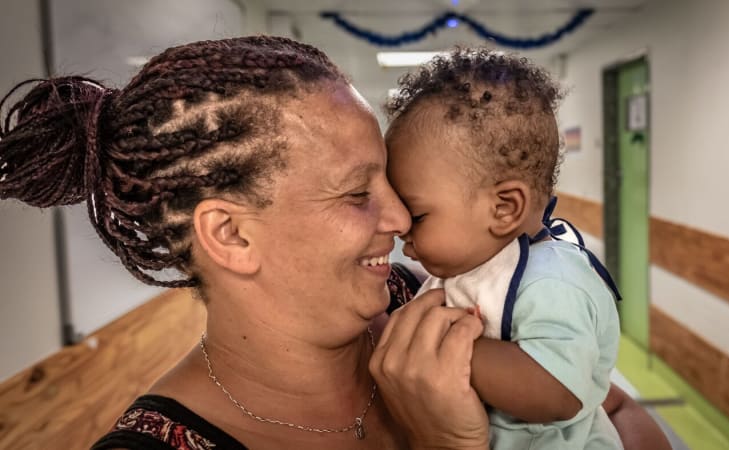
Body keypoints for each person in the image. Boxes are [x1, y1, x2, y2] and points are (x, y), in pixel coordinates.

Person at [0, 36, 669, 450]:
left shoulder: (417, 302)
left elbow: (608, 405)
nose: (402, 220)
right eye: (358, 193)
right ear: (230, 234)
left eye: (393, 181)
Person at [385, 48, 623, 449]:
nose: (401, 232)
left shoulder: (554, 280)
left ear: (505, 207)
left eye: (418, 216)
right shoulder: (475, 267)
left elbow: (557, 391)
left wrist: (452, 353)